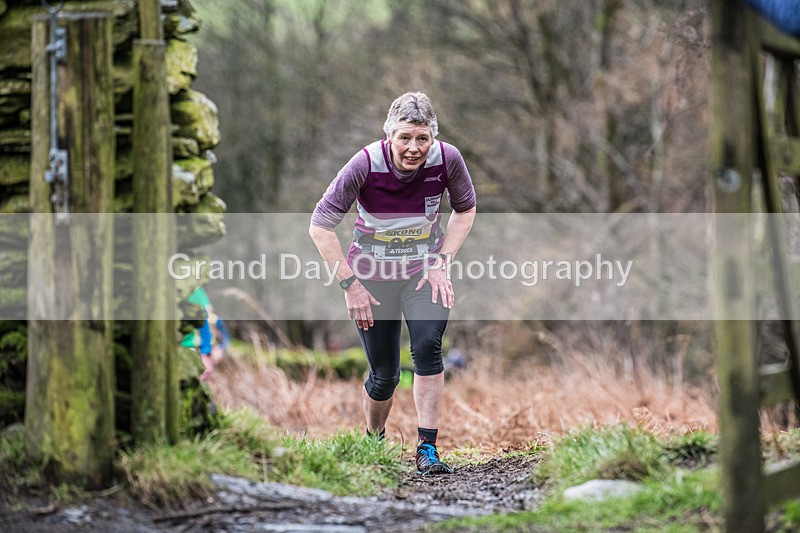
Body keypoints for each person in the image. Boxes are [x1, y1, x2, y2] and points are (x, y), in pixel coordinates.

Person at [309, 92, 477, 475]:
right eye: (405, 137)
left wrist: (441, 261)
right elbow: (320, 226)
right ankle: (374, 441)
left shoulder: (448, 159)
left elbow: (465, 210)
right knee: (384, 375)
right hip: (370, 278)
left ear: (433, 137)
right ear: (389, 135)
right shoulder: (365, 163)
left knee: (427, 347)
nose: (414, 148)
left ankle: (427, 449)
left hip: (423, 275)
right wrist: (350, 285)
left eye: (422, 138)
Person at [181, 286, 231, 381]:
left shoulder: (195, 291)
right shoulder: (195, 291)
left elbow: (206, 322)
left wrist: (212, 351)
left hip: (189, 350)